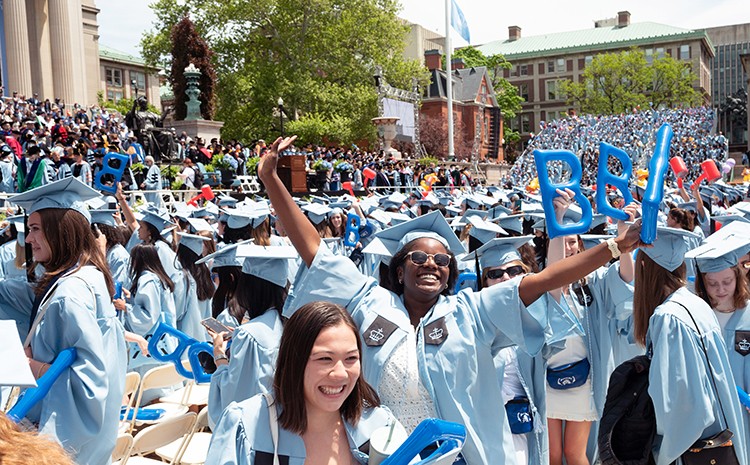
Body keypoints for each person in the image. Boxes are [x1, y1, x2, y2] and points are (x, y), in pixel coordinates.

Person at [258, 136, 645, 465]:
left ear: (450, 273)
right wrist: (272, 181)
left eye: (441, 260)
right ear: (398, 270)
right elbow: (314, 252)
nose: (431, 264)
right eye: (419, 258)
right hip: (381, 454)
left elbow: (544, 279)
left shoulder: (472, 312)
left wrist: (613, 246)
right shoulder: (369, 302)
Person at [0, 178, 127, 464]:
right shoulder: (89, 277)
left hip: (65, 448)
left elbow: (87, 385)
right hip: (96, 442)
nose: (28, 239)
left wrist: (29, 366)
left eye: (34, 229)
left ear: (60, 231)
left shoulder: (69, 294)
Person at [206, 301, 402, 465]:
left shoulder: (380, 428)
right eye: (325, 359)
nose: (340, 374)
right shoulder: (247, 427)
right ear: (293, 361)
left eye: (351, 358)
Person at [633, 226, 748, 465]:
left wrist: (662, 453)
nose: (720, 289)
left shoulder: (670, 317)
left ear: (643, 268)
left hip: (693, 444)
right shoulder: (696, 306)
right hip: (723, 432)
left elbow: (680, 401)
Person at [545, 190, 636, 465]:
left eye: (573, 241)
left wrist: (624, 236)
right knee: (552, 454)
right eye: (564, 241)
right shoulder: (541, 280)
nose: (569, 247)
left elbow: (626, 280)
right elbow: (556, 280)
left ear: (581, 244)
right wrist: (556, 220)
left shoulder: (593, 281)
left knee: (575, 453)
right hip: (548, 376)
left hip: (584, 378)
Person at [206, 245, 295, 427]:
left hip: (255, 430)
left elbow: (233, 399)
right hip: (281, 423)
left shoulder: (249, 335)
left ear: (250, 288)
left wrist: (220, 356)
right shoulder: (289, 323)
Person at [688, 236, 750, 447]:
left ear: (738, 277)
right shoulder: (695, 315)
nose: (721, 289)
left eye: (727, 282)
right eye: (712, 284)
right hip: (710, 415)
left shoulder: (748, 314)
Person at [113, 243, 177, 403]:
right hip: (164, 341)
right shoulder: (157, 277)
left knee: (151, 393)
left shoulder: (147, 280)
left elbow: (147, 317)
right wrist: (132, 298)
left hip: (149, 347)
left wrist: (125, 307)